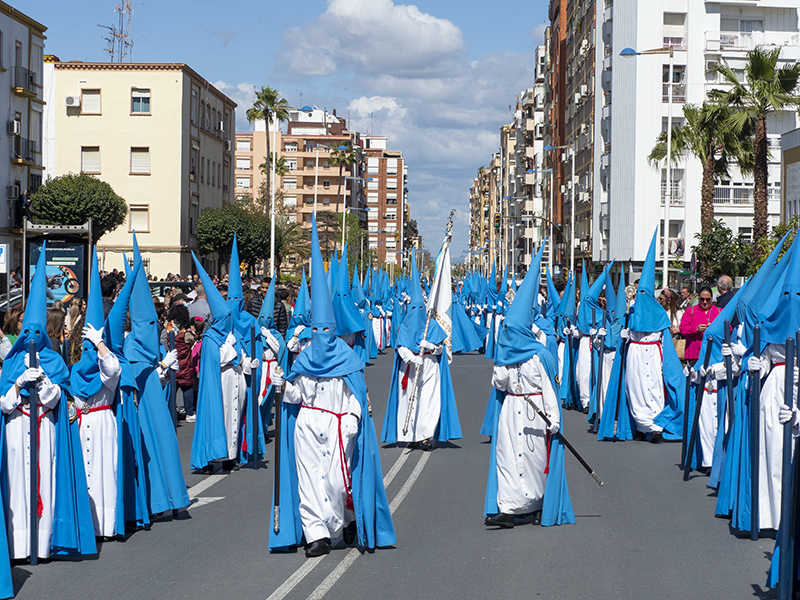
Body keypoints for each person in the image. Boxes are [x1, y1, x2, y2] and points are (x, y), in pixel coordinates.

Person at [268, 215, 395, 557]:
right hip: (308, 425)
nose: (322, 338)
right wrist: (282, 383)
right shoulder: (305, 357)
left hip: (339, 425)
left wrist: (352, 419)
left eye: (328, 331)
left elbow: (357, 394)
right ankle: (316, 535)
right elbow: (295, 396)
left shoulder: (348, 360)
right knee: (309, 480)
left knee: (338, 482)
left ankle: (345, 520)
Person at [484, 242, 574, 528]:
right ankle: (508, 509)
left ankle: (536, 505)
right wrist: (502, 364)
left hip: (536, 413)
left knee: (534, 461)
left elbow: (549, 388)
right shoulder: (508, 359)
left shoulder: (540, 356)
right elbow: (499, 384)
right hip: (511, 410)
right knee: (508, 458)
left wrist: (555, 418)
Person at [382, 250, 461, 450]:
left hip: (430, 366)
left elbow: (442, 348)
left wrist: (431, 347)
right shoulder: (406, 325)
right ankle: (413, 434)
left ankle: (426, 435)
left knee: (429, 401)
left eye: (420, 308)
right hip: (411, 367)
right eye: (414, 308)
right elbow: (400, 347)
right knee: (410, 399)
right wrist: (410, 357)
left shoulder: (431, 324)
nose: (417, 312)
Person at [679, 286, 720, 364]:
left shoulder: (718, 311)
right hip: (695, 355)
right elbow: (683, 328)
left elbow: (728, 328)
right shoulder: (690, 311)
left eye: (708, 299)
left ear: (711, 299)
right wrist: (696, 329)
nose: (705, 302)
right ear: (698, 299)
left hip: (713, 354)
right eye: (702, 299)